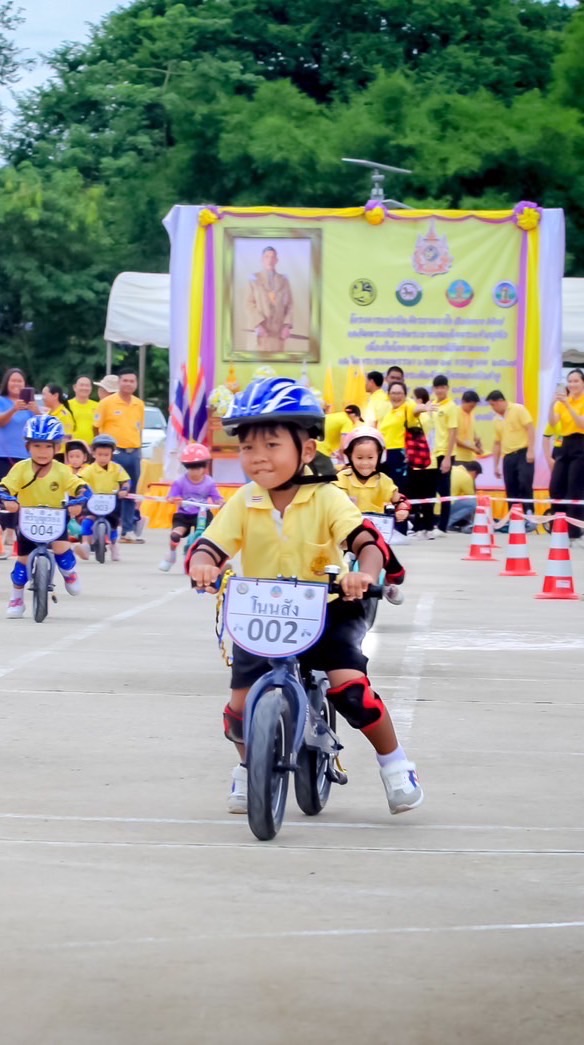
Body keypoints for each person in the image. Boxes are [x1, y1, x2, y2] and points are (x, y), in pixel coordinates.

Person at [187, 377, 423, 816]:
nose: (258, 458)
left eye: (272, 445)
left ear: (307, 451)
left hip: (329, 610)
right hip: (261, 613)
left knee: (352, 692)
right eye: (248, 448)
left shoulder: (327, 497)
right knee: (237, 712)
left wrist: (364, 575)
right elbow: (211, 545)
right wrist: (203, 562)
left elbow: (366, 542)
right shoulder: (244, 501)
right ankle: (246, 767)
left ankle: (395, 765)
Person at [0, 416, 87, 618]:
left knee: (62, 550)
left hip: (56, 516)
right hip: (29, 518)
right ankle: (17, 598)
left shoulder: (61, 470)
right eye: (37, 445)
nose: (42, 451)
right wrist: (7, 499)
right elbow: (6, 485)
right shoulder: (20, 469)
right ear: (28, 446)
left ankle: (69, 574)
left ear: (56, 448)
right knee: (21, 561)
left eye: (47, 446)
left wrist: (79, 499)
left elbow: (76, 485)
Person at [334, 426, 409, 604]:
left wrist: (402, 509)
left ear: (380, 457)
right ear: (349, 457)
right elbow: (333, 498)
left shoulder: (383, 481)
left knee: (388, 560)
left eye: (370, 458)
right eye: (359, 458)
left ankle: (389, 584)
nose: (365, 463)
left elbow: (399, 499)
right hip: (345, 531)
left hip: (376, 530)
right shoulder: (342, 478)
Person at [94, 371, 145, 542]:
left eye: (132, 381)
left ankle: (128, 529)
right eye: (125, 381)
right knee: (111, 491)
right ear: (119, 383)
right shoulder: (107, 403)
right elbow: (96, 427)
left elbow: (139, 429)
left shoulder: (139, 404)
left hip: (134, 452)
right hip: (115, 453)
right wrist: (101, 450)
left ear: (136, 383)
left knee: (130, 491)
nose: (128, 384)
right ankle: (109, 526)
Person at [159, 443, 224, 572]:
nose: (194, 471)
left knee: (207, 537)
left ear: (204, 467)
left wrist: (221, 503)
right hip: (184, 515)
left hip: (202, 514)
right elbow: (171, 496)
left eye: (198, 467)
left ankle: (203, 559)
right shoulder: (180, 482)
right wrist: (173, 499)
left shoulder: (209, 482)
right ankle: (171, 556)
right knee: (176, 535)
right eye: (191, 468)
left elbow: (217, 497)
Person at [0, 367, 40, 548]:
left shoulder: (30, 405)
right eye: (13, 380)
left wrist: (36, 410)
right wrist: (14, 409)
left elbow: (41, 424)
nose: (16, 384)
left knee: (22, 496)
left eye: (20, 381)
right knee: (5, 494)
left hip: (26, 456)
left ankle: (13, 530)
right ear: (6, 383)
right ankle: (3, 530)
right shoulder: (2, 401)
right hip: (4, 455)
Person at [75, 434, 130, 562]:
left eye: (106, 455)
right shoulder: (90, 469)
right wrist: (81, 489)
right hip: (93, 500)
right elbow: (78, 479)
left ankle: (114, 545)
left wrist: (124, 489)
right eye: (100, 455)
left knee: (113, 524)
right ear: (94, 454)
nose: (103, 458)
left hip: (112, 500)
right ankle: (85, 545)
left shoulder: (117, 468)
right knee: (87, 520)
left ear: (112, 454)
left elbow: (125, 481)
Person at [548, 369, 584, 543]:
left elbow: (581, 424)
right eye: (570, 381)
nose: (572, 385)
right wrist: (552, 404)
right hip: (565, 444)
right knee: (556, 487)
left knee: (575, 489)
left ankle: (575, 532)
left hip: (581, 443)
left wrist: (569, 405)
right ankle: (560, 526)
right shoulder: (562, 402)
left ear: (582, 383)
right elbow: (554, 423)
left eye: (576, 381)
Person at [486, 390, 535, 513]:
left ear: (501, 401)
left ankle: (529, 512)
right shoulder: (496, 420)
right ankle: (514, 516)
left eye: (493, 405)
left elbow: (530, 428)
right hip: (508, 457)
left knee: (524, 482)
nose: (493, 408)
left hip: (523, 453)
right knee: (510, 487)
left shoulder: (518, 409)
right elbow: (497, 443)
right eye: (491, 405)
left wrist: (531, 450)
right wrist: (495, 465)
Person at [246, 246, 293, 355]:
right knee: (260, 369)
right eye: (267, 257)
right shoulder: (253, 279)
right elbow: (248, 303)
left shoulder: (284, 280)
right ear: (262, 259)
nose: (270, 260)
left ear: (277, 260)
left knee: (277, 367)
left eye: (272, 257)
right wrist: (257, 324)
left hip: (278, 334)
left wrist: (287, 326)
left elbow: (290, 305)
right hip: (260, 333)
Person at [378, 380, 421, 491]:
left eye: (399, 393)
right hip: (385, 454)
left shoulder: (408, 407)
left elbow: (416, 410)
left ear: (405, 395)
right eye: (393, 393)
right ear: (388, 395)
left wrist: (423, 408)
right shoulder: (388, 412)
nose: (396, 396)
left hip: (400, 454)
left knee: (399, 489)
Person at [408, 387, 438, 539]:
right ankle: (429, 528)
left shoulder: (422, 417)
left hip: (419, 463)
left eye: (413, 397)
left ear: (419, 399)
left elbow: (414, 411)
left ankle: (420, 529)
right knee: (428, 498)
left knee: (418, 498)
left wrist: (421, 408)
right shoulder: (432, 416)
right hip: (431, 462)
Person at [432, 375, 458, 534]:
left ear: (447, 388)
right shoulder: (433, 405)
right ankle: (431, 523)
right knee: (431, 488)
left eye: (443, 387)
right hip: (432, 453)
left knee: (444, 490)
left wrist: (448, 457)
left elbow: (453, 432)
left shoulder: (451, 406)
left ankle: (443, 526)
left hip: (445, 453)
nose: (440, 390)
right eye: (437, 387)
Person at [448, 461, 482, 532]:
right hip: (447, 506)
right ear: (474, 472)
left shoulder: (454, 469)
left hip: (438, 505)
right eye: (476, 476)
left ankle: (461, 522)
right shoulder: (466, 477)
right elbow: (472, 497)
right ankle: (448, 523)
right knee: (472, 503)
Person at [42, 384, 75, 455]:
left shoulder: (64, 415)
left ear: (55, 396)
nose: (43, 398)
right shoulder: (48, 414)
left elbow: (66, 440)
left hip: (60, 455)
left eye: (45, 395)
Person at [69, 376, 97, 445]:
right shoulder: (66, 406)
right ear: (74, 387)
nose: (84, 388)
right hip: (72, 447)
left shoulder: (98, 406)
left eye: (87, 385)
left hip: (92, 447)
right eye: (81, 385)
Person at [456, 390, 482, 463]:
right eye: (471, 406)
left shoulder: (471, 413)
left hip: (470, 457)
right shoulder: (455, 413)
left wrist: (477, 442)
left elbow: (472, 432)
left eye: (474, 407)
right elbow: (453, 439)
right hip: (458, 458)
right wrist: (473, 448)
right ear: (463, 401)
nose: (472, 409)